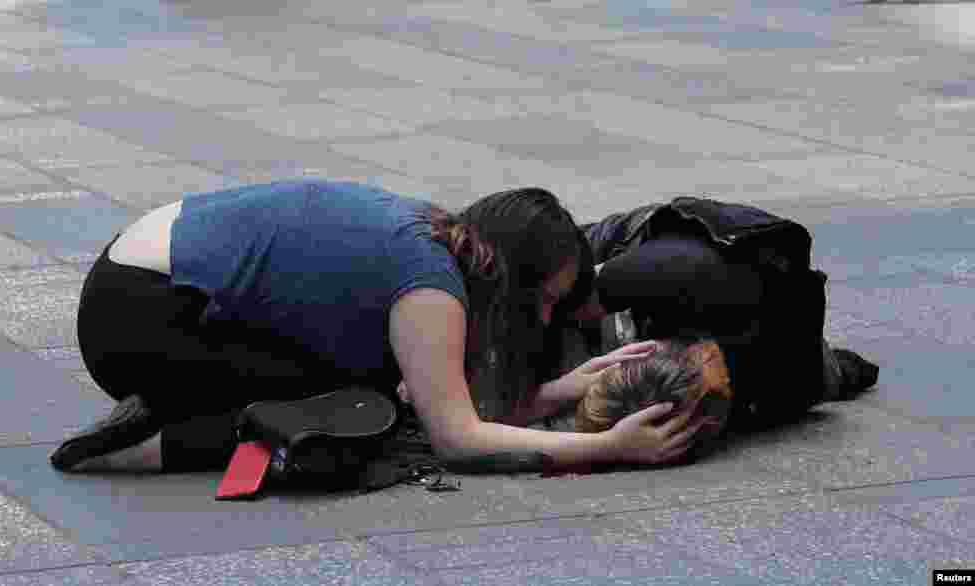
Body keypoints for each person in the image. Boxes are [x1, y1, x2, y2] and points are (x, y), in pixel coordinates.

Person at [50, 179, 709, 475]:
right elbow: (457, 437)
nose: (545, 319)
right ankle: (143, 447)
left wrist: (554, 393)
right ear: (511, 278)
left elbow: (443, 393)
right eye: (543, 301)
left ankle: (168, 406)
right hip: (139, 317)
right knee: (367, 413)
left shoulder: (436, 237)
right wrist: (609, 447)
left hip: (137, 280)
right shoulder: (432, 291)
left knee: (385, 387)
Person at [554, 195, 879, 438]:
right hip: (707, 275)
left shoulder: (786, 386)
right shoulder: (651, 272)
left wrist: (603, 443)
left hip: (756, 326)